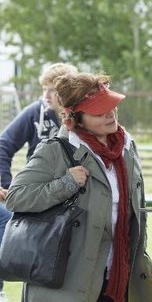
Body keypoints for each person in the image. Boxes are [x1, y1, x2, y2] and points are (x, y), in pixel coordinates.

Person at [6, 72, 152, 302]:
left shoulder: (127, 149)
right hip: (68, 286)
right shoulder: (55, 150)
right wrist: (65, 184)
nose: (111, 113)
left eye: (111, 106)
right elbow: (16, 197)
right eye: (100, 110)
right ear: (76, 118)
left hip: (120, 280)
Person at [0, 62, 77, 301]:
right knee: (7, 224)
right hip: (37, 193)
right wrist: (7, 185)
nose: (45, 95)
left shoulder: (80, 116)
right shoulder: (35, 112)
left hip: (73, 197)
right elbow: (4, 145)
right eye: (44, 88)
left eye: (52, 89)